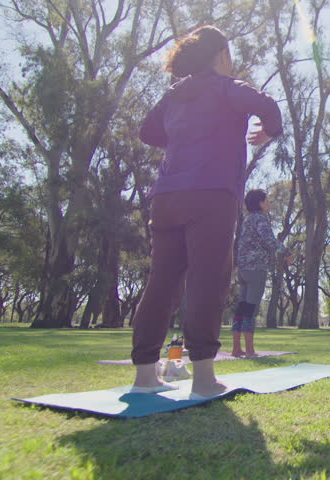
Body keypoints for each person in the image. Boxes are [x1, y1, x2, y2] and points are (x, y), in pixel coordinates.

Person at [130, 26, 283, 398]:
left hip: (166, 197)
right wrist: (268, 132)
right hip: (211, 193)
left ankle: (145, 377)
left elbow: (148, 132)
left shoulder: (174, 93)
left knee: (162, 281)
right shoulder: (226, 86)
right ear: (221, 55)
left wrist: (184, 138)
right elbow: (268, 106)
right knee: (207, 278)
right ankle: (202, 379)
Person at [231, 189, 294, 357]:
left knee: (242, 308)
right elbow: (269, 240)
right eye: (267, 200)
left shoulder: (247, 220)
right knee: (251, 309)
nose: (269, 203)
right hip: (256, 269)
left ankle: (236, 348)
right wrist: (286, 252)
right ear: (259, 203)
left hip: (243, 269)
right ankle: (250, 350)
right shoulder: (260, 219)